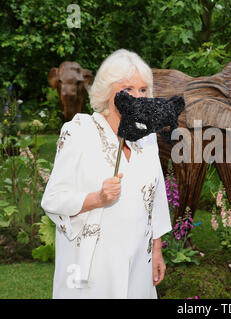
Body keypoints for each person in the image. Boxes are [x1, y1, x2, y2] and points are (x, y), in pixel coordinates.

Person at [41, 49, 172, 299]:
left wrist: (156, 250)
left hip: (138, 264)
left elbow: (155, 199)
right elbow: (53, 199)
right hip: (93, 268)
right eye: (128, 89)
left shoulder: (146, 138)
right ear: (107, 90)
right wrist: (98, 199)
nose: (137, 97)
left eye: (143, 90)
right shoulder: (79, 131)